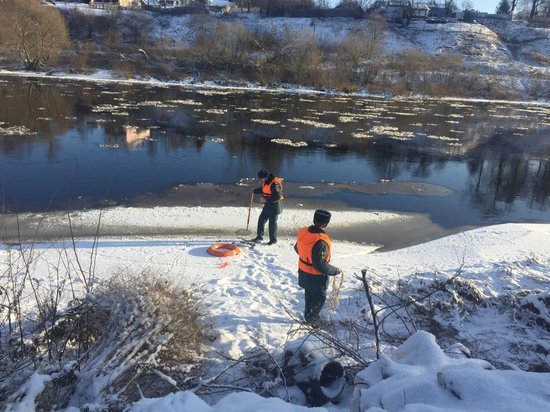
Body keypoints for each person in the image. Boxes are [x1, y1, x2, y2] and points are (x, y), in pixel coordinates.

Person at [294, 209, 342, 324]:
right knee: (319, 298)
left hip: (303, 272)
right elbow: (319, 264)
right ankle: (311, 320)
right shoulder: (320, 241)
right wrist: (335, 271)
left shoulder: (304, 232)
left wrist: (306, 258)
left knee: (309, 294)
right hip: (316, 277)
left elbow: (297, 248)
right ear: (325, 224)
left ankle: (308, 316)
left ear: (314, 220)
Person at [251, 169, 284, 245]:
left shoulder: (275, 184)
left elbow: (277, 196)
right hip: (268, 204)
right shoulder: (267, 181)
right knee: (262, 219)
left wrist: (266, 200)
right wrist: (255, 191)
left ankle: (273, 240)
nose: (261, 180)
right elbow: (264, 189)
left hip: (275, 205)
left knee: (272, 223)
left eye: (261, 178)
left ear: (266, 177)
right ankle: (259, 237)